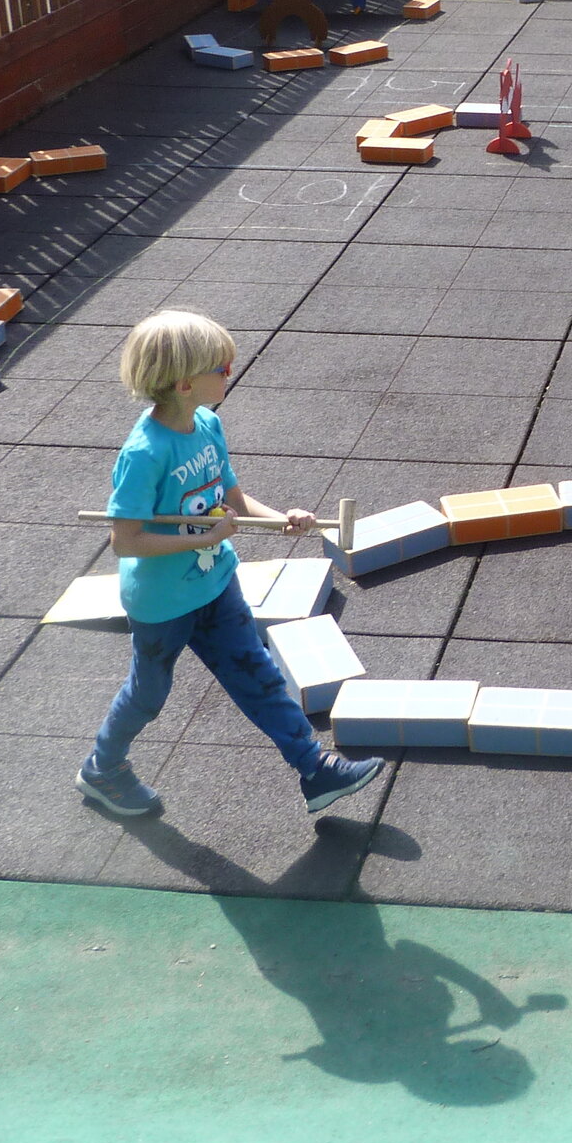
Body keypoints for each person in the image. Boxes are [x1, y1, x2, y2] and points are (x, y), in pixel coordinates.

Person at [81, 308, 382, 820]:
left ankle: (315, 769)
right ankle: (102, 770)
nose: (229, 374)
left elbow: (234, 500)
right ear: (182, 383)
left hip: (216, 583)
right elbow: (126, 541)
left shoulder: (207, 424)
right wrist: (200, 534)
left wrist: (283, 518)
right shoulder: (144, 454)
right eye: (221, 368)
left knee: (258, 674)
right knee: (149, 693)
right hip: (163, 603)